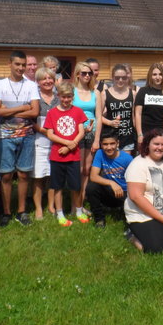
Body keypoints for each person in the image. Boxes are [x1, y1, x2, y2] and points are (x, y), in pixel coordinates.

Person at [0, 50, 40, 227]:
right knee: (5, 175)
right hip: (4, 136)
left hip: (26, 136)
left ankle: (21, 211)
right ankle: (6, 211)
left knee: (23, 174)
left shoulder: (30, 85)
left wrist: (9, 109)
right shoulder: (0, 85)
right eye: (17, 64)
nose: (21, 68)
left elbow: (35, 111)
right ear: (9, 64)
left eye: (23, 64)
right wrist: (23, 107)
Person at [44, 81, 88, 227]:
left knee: (76, 186)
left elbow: (81, 131)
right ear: (58, 96)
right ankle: (60, 213)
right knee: (58, 186)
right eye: (63, 97)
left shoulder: (78, 112)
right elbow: (50, 134)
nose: (66, 100)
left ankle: (79, 211)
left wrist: (70, 146)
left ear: (73, 97)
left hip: (73, 155)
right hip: (57, 156)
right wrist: (66, 143)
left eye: (69, 97)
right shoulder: (52, 113)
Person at [73, 61, 101, 220]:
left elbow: (98, 117)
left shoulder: (95, 93)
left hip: (91, 134)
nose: (87, 76)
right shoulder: (72, 91)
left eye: (89, 73)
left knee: (86, 171)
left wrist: (97, 139)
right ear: (77, 74)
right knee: (76, 170)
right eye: (83, 73)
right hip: (76, 134)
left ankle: (81, 204)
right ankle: (73, 205)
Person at [86, 131, 133, 228]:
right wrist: (111, 183)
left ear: (117, 144)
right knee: (91, 187)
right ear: (101, 145)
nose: (109, 147)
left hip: (124, 193)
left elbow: (134, 181)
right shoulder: (100, 153)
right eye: (105, 144)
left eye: (112, 144)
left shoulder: (127, 158)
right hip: (109, 191)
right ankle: (99, 219)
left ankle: (125, 212)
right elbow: (93, 176)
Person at [32, 67, 58, 220]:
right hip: (38, 140)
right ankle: (38, 208)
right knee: (38, 176)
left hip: (56, 143)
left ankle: (51, 205)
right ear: (38, 82)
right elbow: (30, 121)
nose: (48, 81)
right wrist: (44, 131)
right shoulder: (35, 98)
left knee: (52, 176)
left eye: (50, 78)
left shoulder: (58, 98)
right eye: (44, 79)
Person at [95, 64, 136, 154]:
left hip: (127, 137)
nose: (120, 80)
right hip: (111, 137)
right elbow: (98, 116)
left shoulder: (132, 93)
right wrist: (110, 122)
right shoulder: (105, 94)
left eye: (123, 78)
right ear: (112, 78)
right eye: (117, 78)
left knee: (125, 165)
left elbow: (134, 116)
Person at [134, 63, 163, 143]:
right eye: (154, 74)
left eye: (160, 74)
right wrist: (140, 134)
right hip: (145, 134)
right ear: (150, 76)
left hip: (162, 135)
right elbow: (137, 114)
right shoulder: (143, 91)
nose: (157, 77)